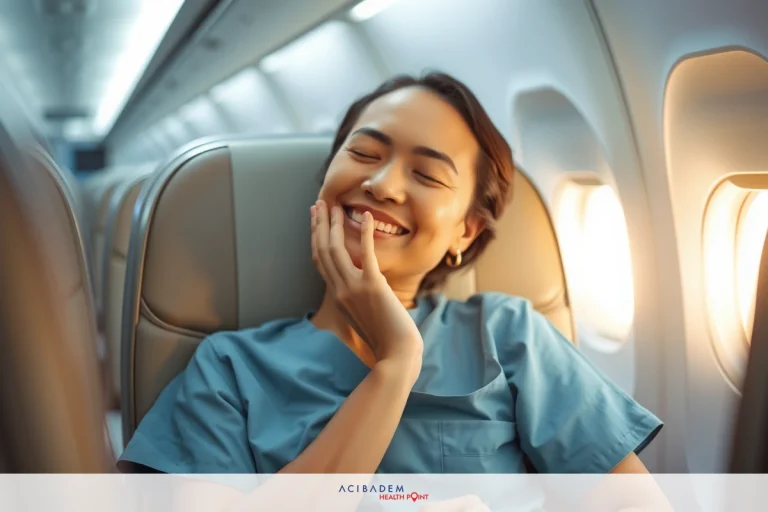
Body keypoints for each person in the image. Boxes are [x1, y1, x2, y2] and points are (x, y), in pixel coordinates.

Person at [117, 71, 662, 477]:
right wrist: (396, 366)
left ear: (464, 234)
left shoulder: (507, 335)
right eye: (363, 152)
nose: (381, 184)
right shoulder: (229, 369)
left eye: (426, 173)